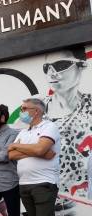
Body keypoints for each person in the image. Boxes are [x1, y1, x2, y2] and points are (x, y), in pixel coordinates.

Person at [43, 46, 91, 201]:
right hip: (47, 198)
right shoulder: (37, 110)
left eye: (60, 65)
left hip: (84, 202)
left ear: (81, 65)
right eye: (47, 67)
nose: (51, 73)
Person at [8, 98, 60, 216]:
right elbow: (11, 154)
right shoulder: (23, 132)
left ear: (36, 111)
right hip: (24, 184)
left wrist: (17, 146)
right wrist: (37, 150)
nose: (21, 112)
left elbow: (40, 149)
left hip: (43, 183)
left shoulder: (49, 126)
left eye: (24, 109)